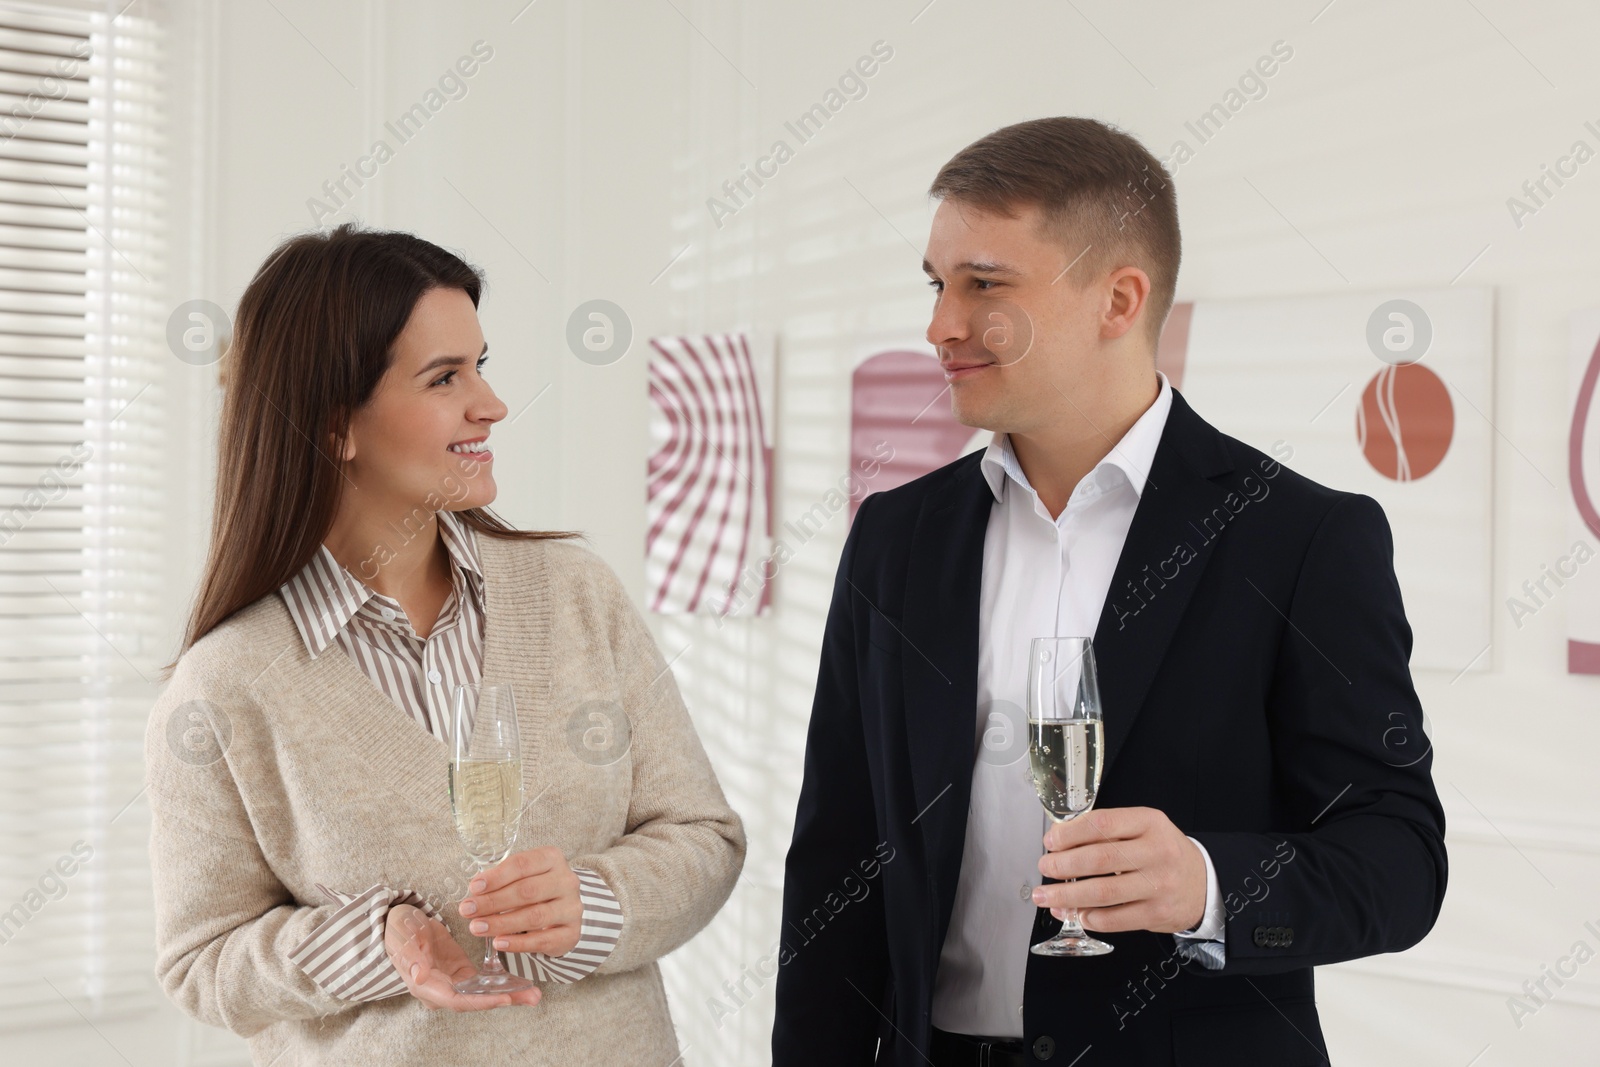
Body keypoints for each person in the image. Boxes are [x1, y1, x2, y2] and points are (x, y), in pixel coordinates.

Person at [773, 117, 1447, 1066]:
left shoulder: (1298, 538)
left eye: (984, 286)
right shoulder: (896, 538)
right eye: (936, 284)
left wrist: (1208, 883)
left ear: (1119, 300)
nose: (940, 326)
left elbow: (1400, 859)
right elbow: (835, 866)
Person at [145, 224, 743, 1064]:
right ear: (333, 424)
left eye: (482, 365)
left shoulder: (576, 596)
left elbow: (704, 836)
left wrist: (597, 901)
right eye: (444, 377)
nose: (490, 404)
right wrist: (372, 942)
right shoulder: (226, 685)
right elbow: (202, 960)